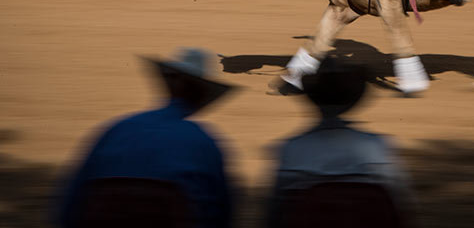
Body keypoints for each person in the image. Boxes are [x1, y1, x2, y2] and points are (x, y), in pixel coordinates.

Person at [57, 48, 236, 228]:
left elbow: (71, 202)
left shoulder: (116, 129)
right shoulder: (205, 143)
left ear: (168, 86)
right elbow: (221, 213)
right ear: (203, 96)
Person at [267, 57, 413, 227]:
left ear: (313, 99)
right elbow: (401, 204)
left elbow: (275, 212)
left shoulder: (292, 148)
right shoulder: (377, 145)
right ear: (352, 101)